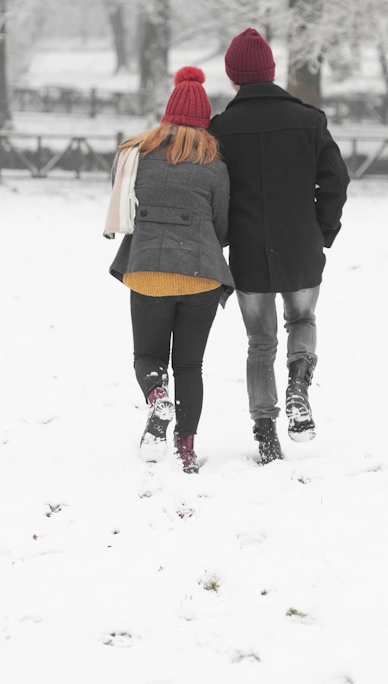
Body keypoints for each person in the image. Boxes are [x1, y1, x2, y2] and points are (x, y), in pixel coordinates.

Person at [209, 28, 349, 464]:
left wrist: (225, 237)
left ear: (234, 76)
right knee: (303, 317)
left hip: (249, 253)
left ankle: (265, 431)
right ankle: (299, 385)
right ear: (271, 71)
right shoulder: (309, 120)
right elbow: (336, 181)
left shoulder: (221, 129)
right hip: (302, 246)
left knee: (259, 342)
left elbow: (216, 192)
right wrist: (321, 231)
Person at [108, 67, 234, 473]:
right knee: (190, 366)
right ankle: (186, 449)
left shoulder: (134, 154)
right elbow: (222, 226)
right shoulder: (214, 165)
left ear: (167, 112)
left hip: (146, 269)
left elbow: (122, 203)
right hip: (201, 274)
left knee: (147, 354)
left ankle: (157, 396)